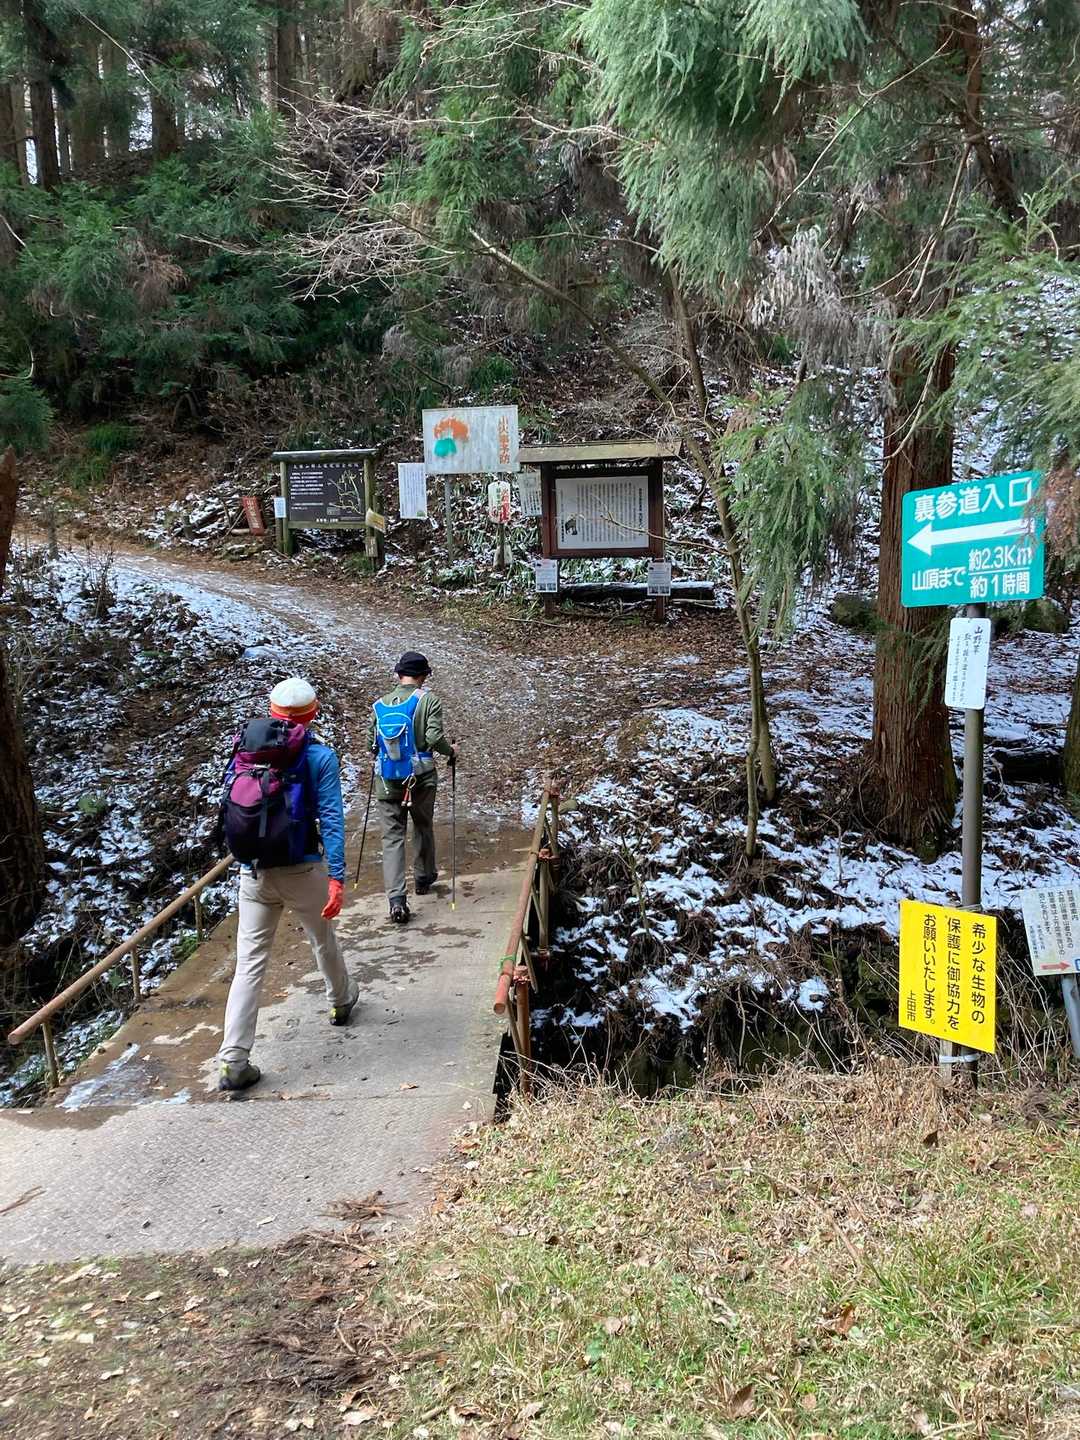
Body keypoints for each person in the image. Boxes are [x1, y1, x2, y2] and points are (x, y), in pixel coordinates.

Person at [217, 677, 358, 1092]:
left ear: (272, 710)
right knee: (322, 939)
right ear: (313, 713)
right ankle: (340, 1001)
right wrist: (337, 877)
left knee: (249, 963)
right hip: (302, 869)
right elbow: (331, 818)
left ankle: (234, 1059)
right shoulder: (319, 756)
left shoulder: (245, 750)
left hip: (253, 872)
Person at [370, 652, 456, 924]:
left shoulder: (379, 705)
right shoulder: (429, 701)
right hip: (421, 778)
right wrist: (450, 751)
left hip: (387, 781)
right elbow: (434, 737)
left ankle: (396, 900)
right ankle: (423, 877)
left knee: (391, 837)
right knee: (422, 824)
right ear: (423, 676)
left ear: (398, 675)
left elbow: (372, 744)